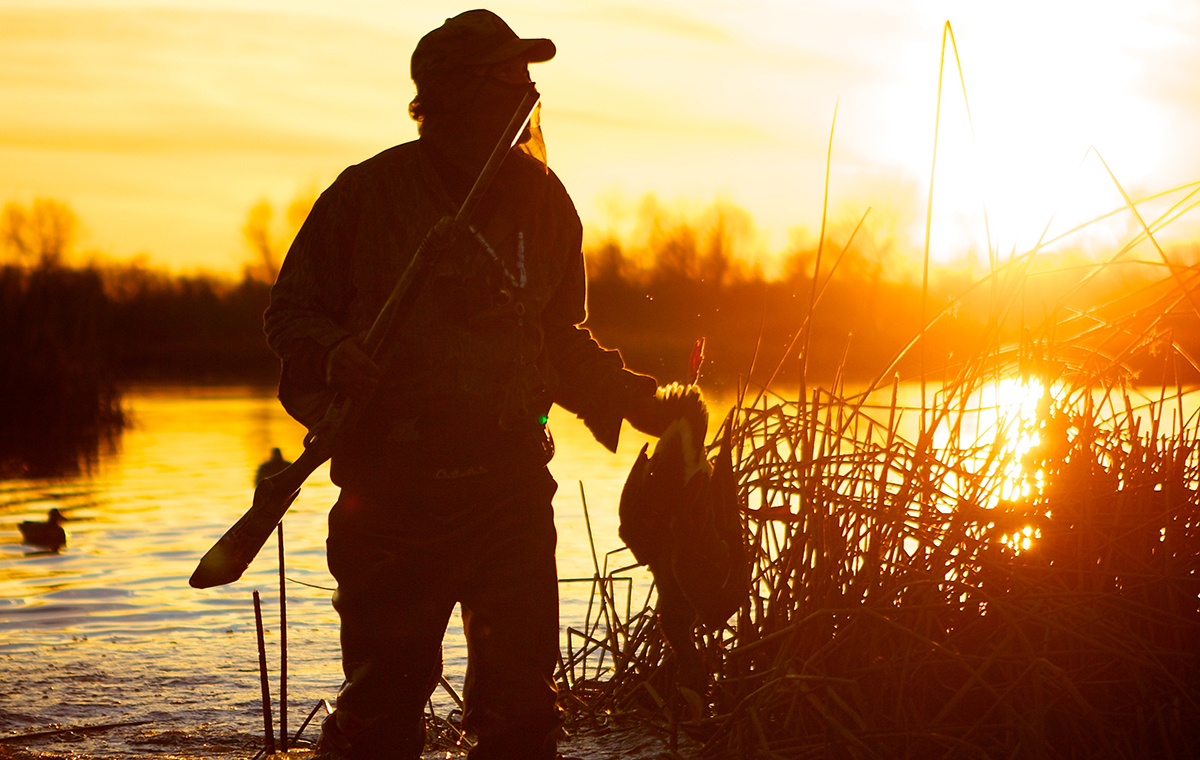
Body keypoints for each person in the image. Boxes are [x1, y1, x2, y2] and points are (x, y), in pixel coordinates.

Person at [264, 9, 671, 760]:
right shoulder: (366, 196)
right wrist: (336, 352)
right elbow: (290, 314)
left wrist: (640, 401)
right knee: (382, 717)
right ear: (449, 95)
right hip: (391, 493)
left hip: (510, 487)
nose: (525, 93)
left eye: (526, 78)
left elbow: (559, 339)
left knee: (522, 719)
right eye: (504, 78)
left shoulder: (544, 202)